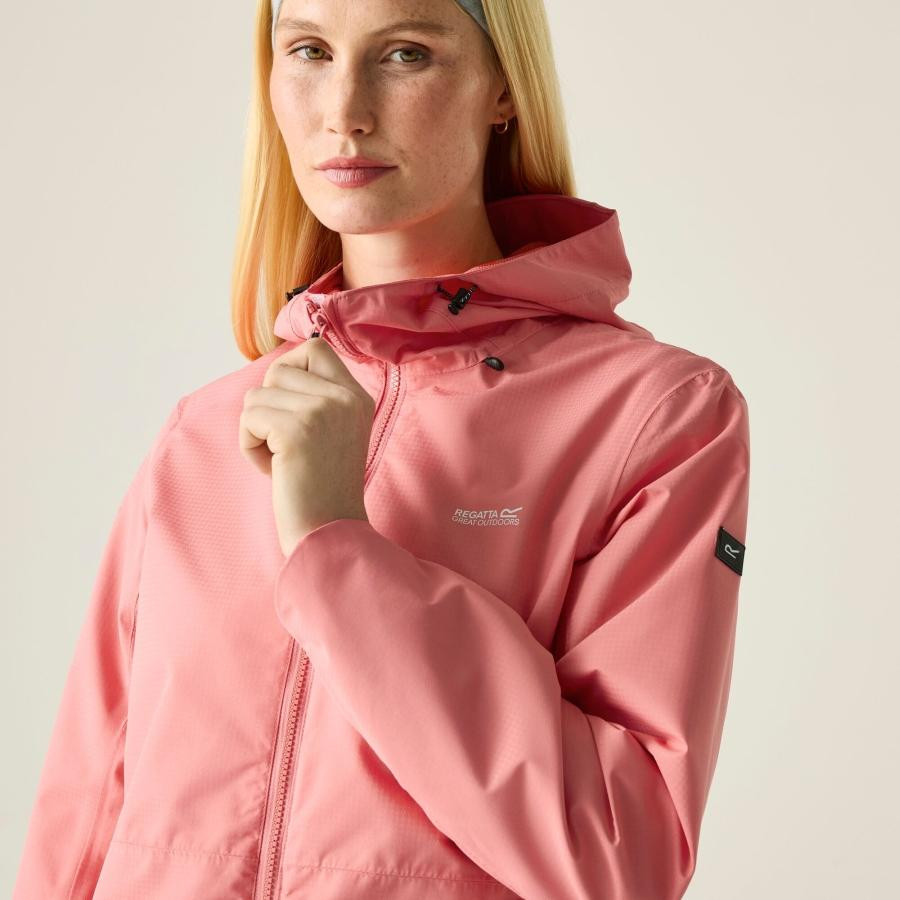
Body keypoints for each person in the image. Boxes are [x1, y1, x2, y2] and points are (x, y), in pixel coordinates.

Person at [13, 1, 751, 897]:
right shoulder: (204, 432)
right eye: (310, 51)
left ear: (504, 89)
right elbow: (86, 811)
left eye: (405, 54)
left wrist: (337, 548)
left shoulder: (656, 415)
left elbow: (621, 861)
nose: (344, 110)